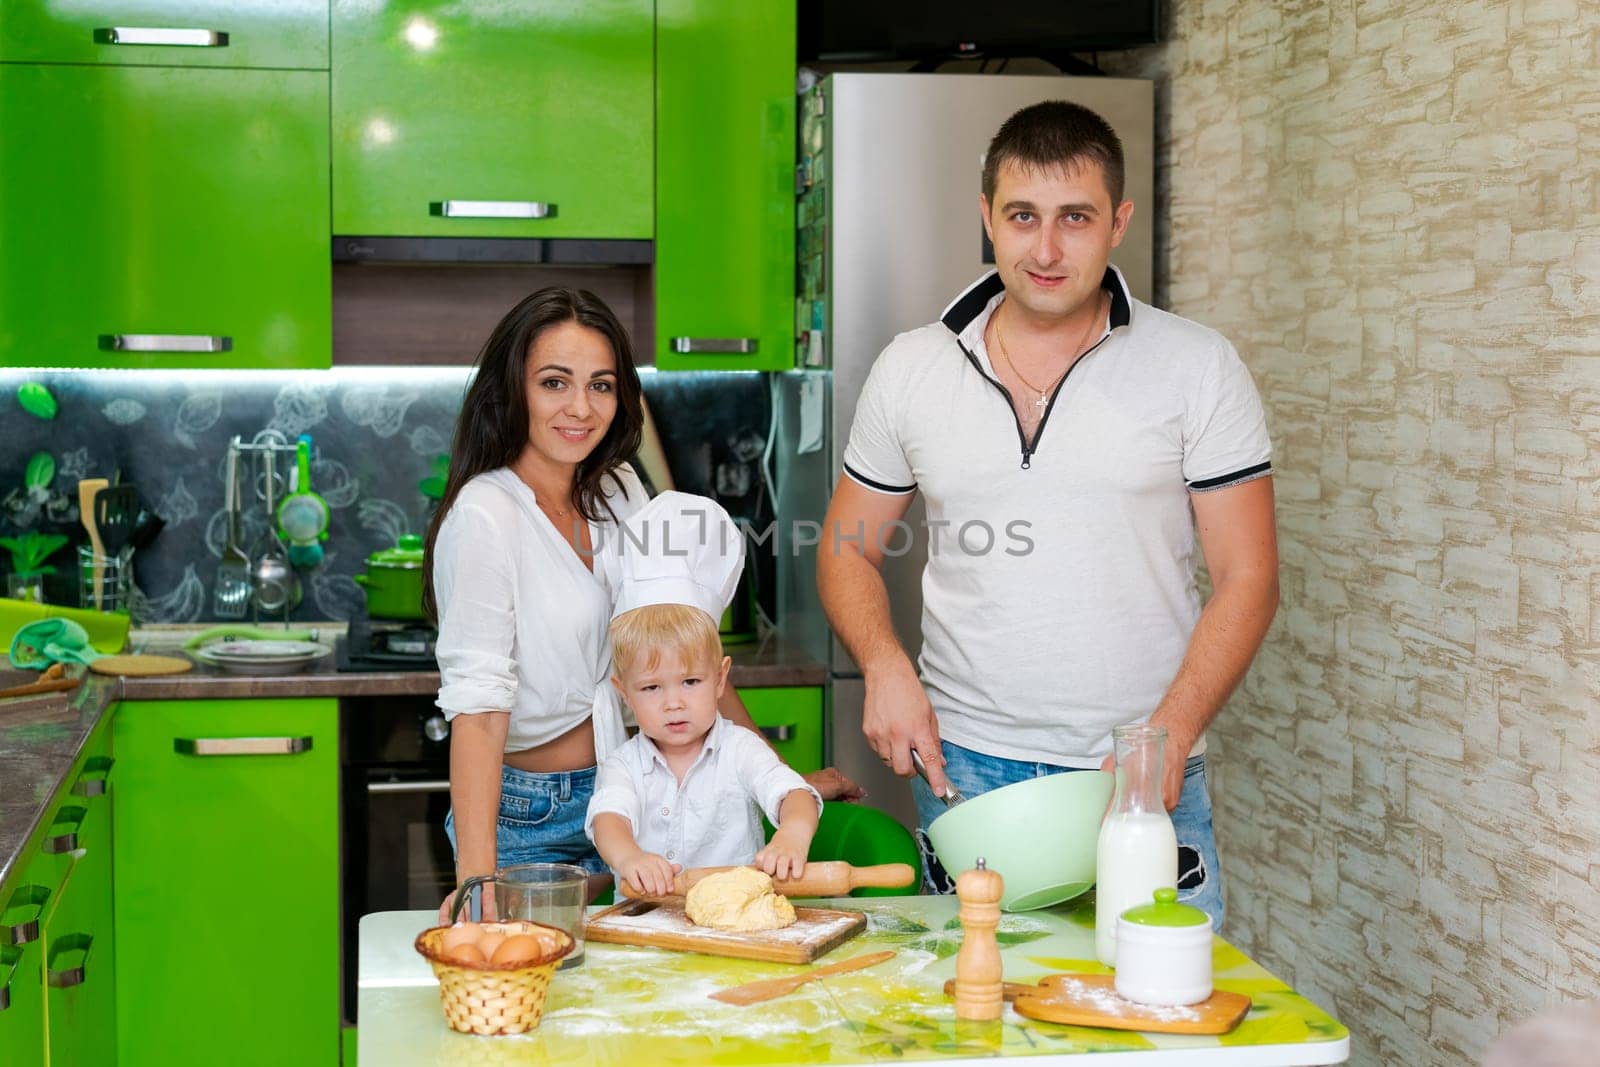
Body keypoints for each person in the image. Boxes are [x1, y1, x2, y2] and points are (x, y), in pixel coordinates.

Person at [816, 101, 1279, 927]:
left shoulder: (1197, 366)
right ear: (987, 217)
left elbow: (1250, 577)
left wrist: (1166, 738)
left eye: (1076, 218)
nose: (1047, 248)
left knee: (1158, 1028)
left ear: (1118, 222)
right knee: (978, 1025)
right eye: (1023, 216)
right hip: (966, 771)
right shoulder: (912, 367)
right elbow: (846, 544)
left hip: (1136, 775)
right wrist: (885, 664)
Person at [424, 287, 855, 920]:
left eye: (601, 385)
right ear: (510, 390)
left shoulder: (620, 487)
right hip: (530, 814)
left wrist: (774, 781)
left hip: (646, 790)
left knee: (649, 987)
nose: (580, 407)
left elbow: (684, 648)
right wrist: (477, 879)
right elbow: (481, 711)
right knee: (544, 998)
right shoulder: (486, 516)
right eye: (554, 382)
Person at [587, 493, 822, 896]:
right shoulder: (623, 765)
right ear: (623, 692)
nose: (673, 702)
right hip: (648, 928)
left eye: (690, 682)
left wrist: (791, 837)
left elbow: (794, 794)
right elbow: (609, 820)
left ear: (719, 679)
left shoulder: (739, 750)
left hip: (734, 920)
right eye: (651, 687)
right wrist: (629, 859)